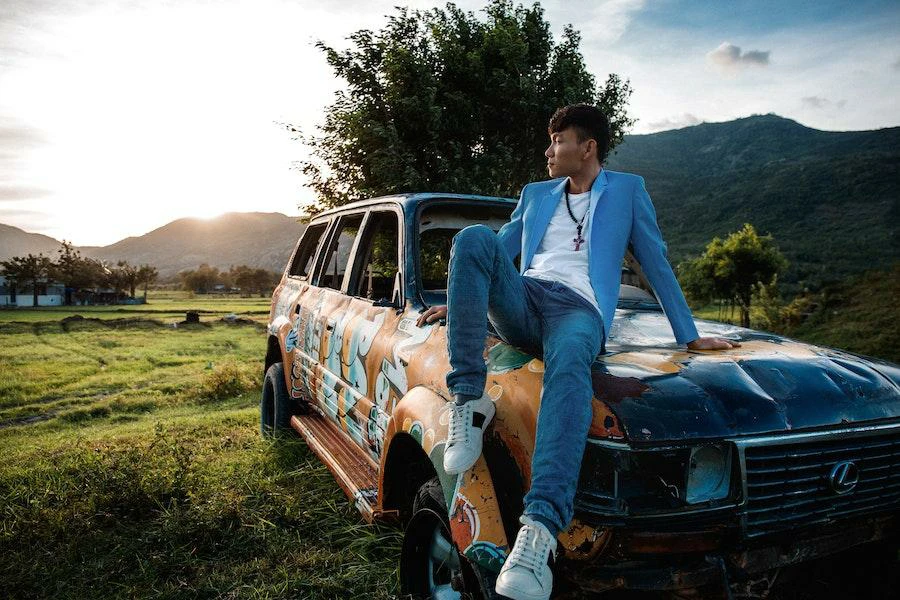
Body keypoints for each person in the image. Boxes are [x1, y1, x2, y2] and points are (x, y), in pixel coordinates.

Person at [416, 104, 738, 600]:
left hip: (580, 311)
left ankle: (539, 530)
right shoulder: (536, 194)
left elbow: (655, 261)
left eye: (557, 140)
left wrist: (689, 333)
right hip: (525, 298)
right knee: (474, 238)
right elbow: (499, 250)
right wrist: (463, 307)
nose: (548, 151)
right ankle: (468, 401)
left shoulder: (628, 191)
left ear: (587, 147)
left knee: (569, 369)